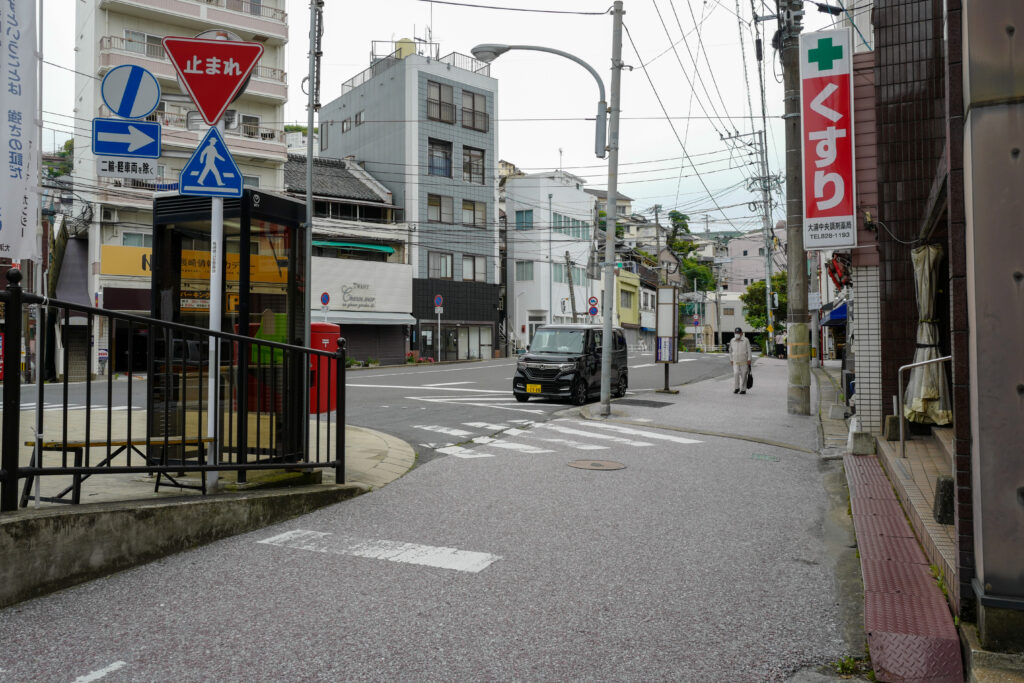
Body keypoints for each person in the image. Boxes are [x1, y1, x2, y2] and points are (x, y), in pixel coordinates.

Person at [729, 327, 752, 394]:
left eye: (738, 333)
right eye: (736, 333)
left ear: (741, 333)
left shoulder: (746, 340)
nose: (737, 334)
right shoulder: (732, 340)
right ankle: (736, 388)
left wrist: (749, 359)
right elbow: (730, 351)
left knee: (744, 375)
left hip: (744, 361)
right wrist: (731, 359)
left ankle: (743, 389)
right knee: (736, 373)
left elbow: (749, 350)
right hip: (735, 361)